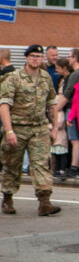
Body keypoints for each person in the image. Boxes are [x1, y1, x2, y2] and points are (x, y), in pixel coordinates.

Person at [0, 44, 60, 216]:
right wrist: (9, 130)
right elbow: (4, 105)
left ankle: (44, 202)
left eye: (38, 56)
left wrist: (54, 128)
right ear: (26, 58)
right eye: (32, 56)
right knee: (12, 164)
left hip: (39, 128)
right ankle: (8, 198)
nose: (35, 59)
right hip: (17, 128)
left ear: (42, 59)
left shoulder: (45, 77)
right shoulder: (14, 77)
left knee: (41, 164)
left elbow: (52, 103)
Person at [56, 48, 79, 176]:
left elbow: (67, 94)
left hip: (72, 109)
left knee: (74, 139)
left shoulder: (75, 74)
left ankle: (74, 167)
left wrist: (55, 110)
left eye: (69, 57)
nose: (68, 59)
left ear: (75, 58)